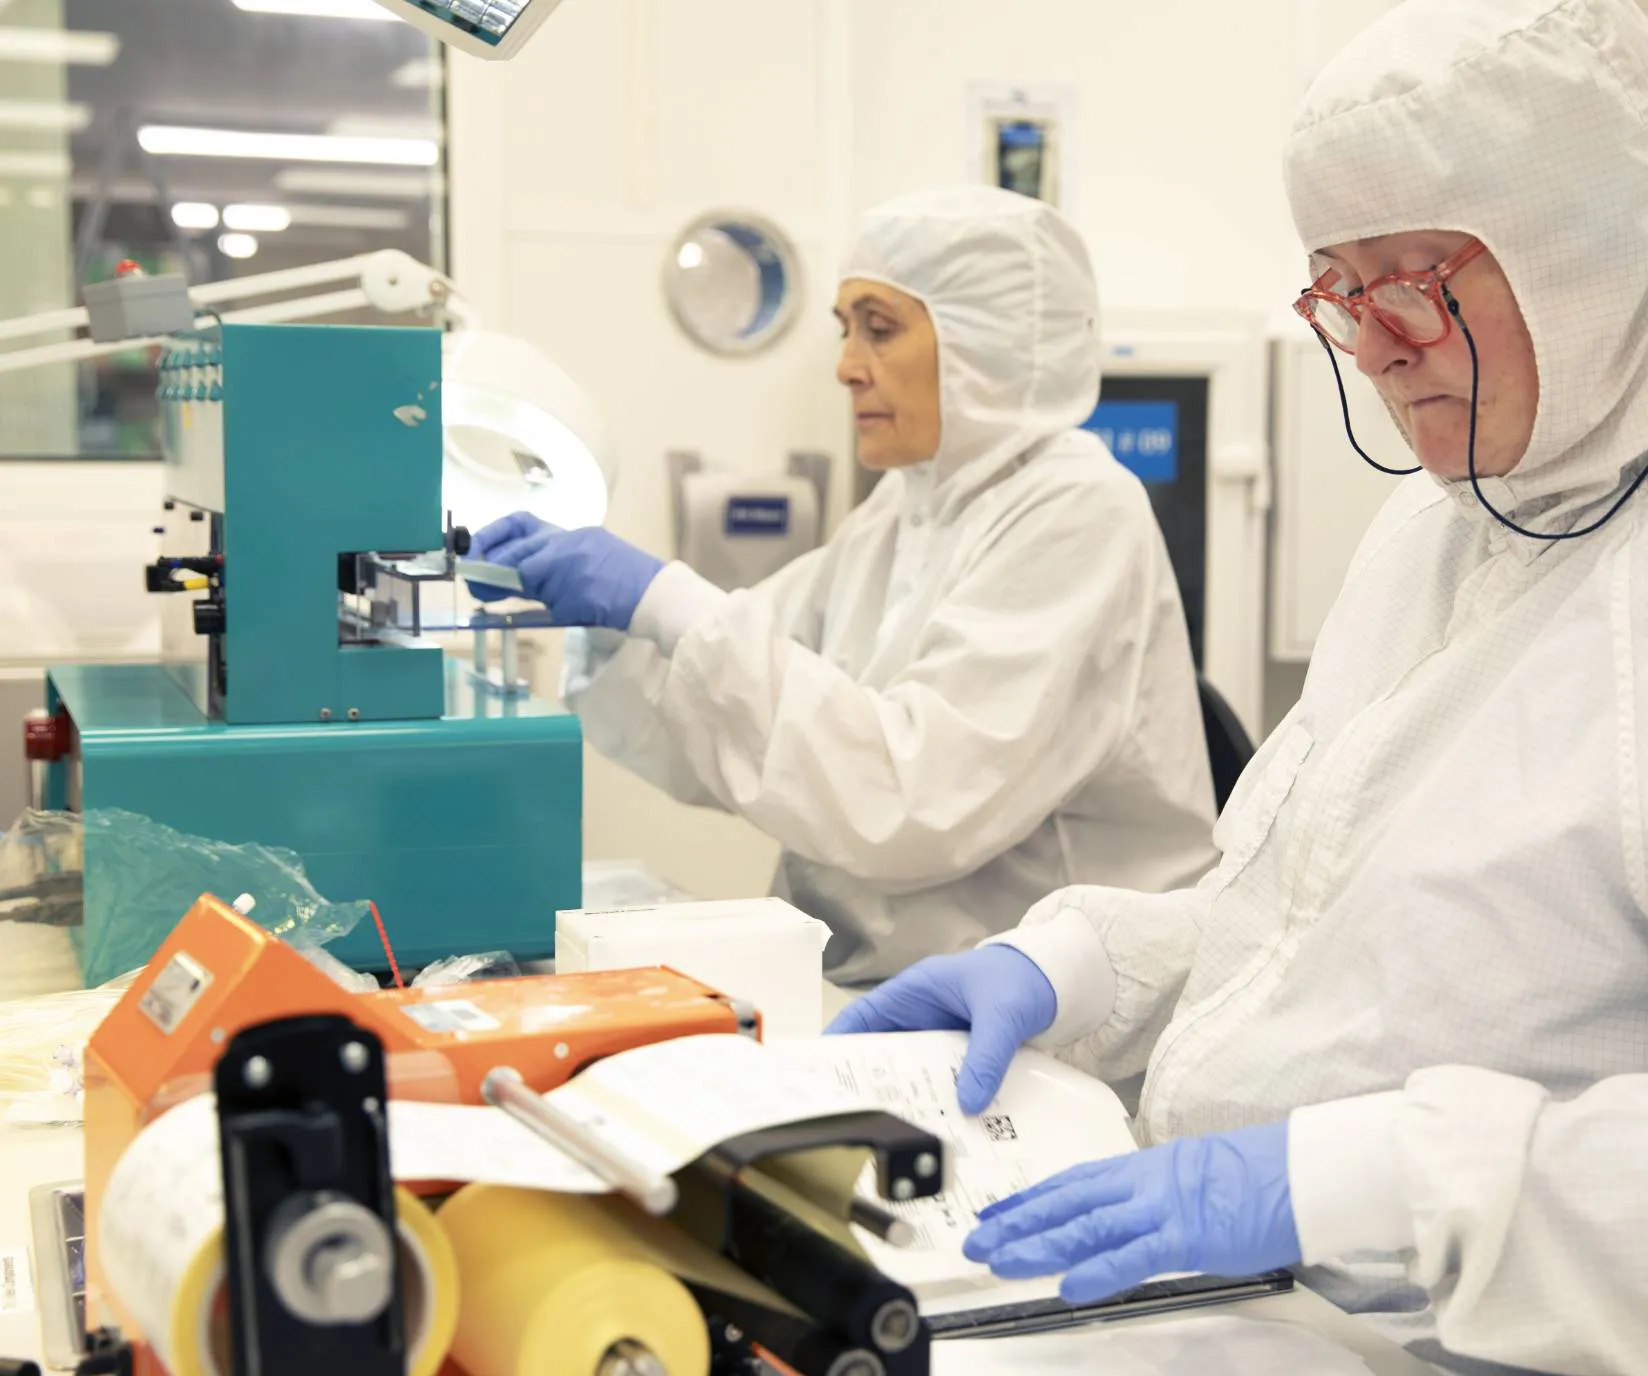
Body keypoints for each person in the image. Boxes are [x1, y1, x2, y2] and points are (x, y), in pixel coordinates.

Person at [831, 0, 1648, 1370]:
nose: (1378, 344)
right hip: (1265, 1293)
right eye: (1340, 284)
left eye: (1421, 279)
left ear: (1596, 247)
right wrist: (1074, 960)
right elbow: (1297, 903)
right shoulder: (1441, 527)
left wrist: (1370, 1180)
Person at [468, 186, 1217, 984]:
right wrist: (620, 624)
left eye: (880, 329)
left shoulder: (1077, 511)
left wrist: (663, 598)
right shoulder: (909, 506)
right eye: (845, 329)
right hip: (874, 978)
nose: (846, 367)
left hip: (1039, 1004)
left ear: (988, 345)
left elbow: (911, 802)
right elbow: (752, 714)